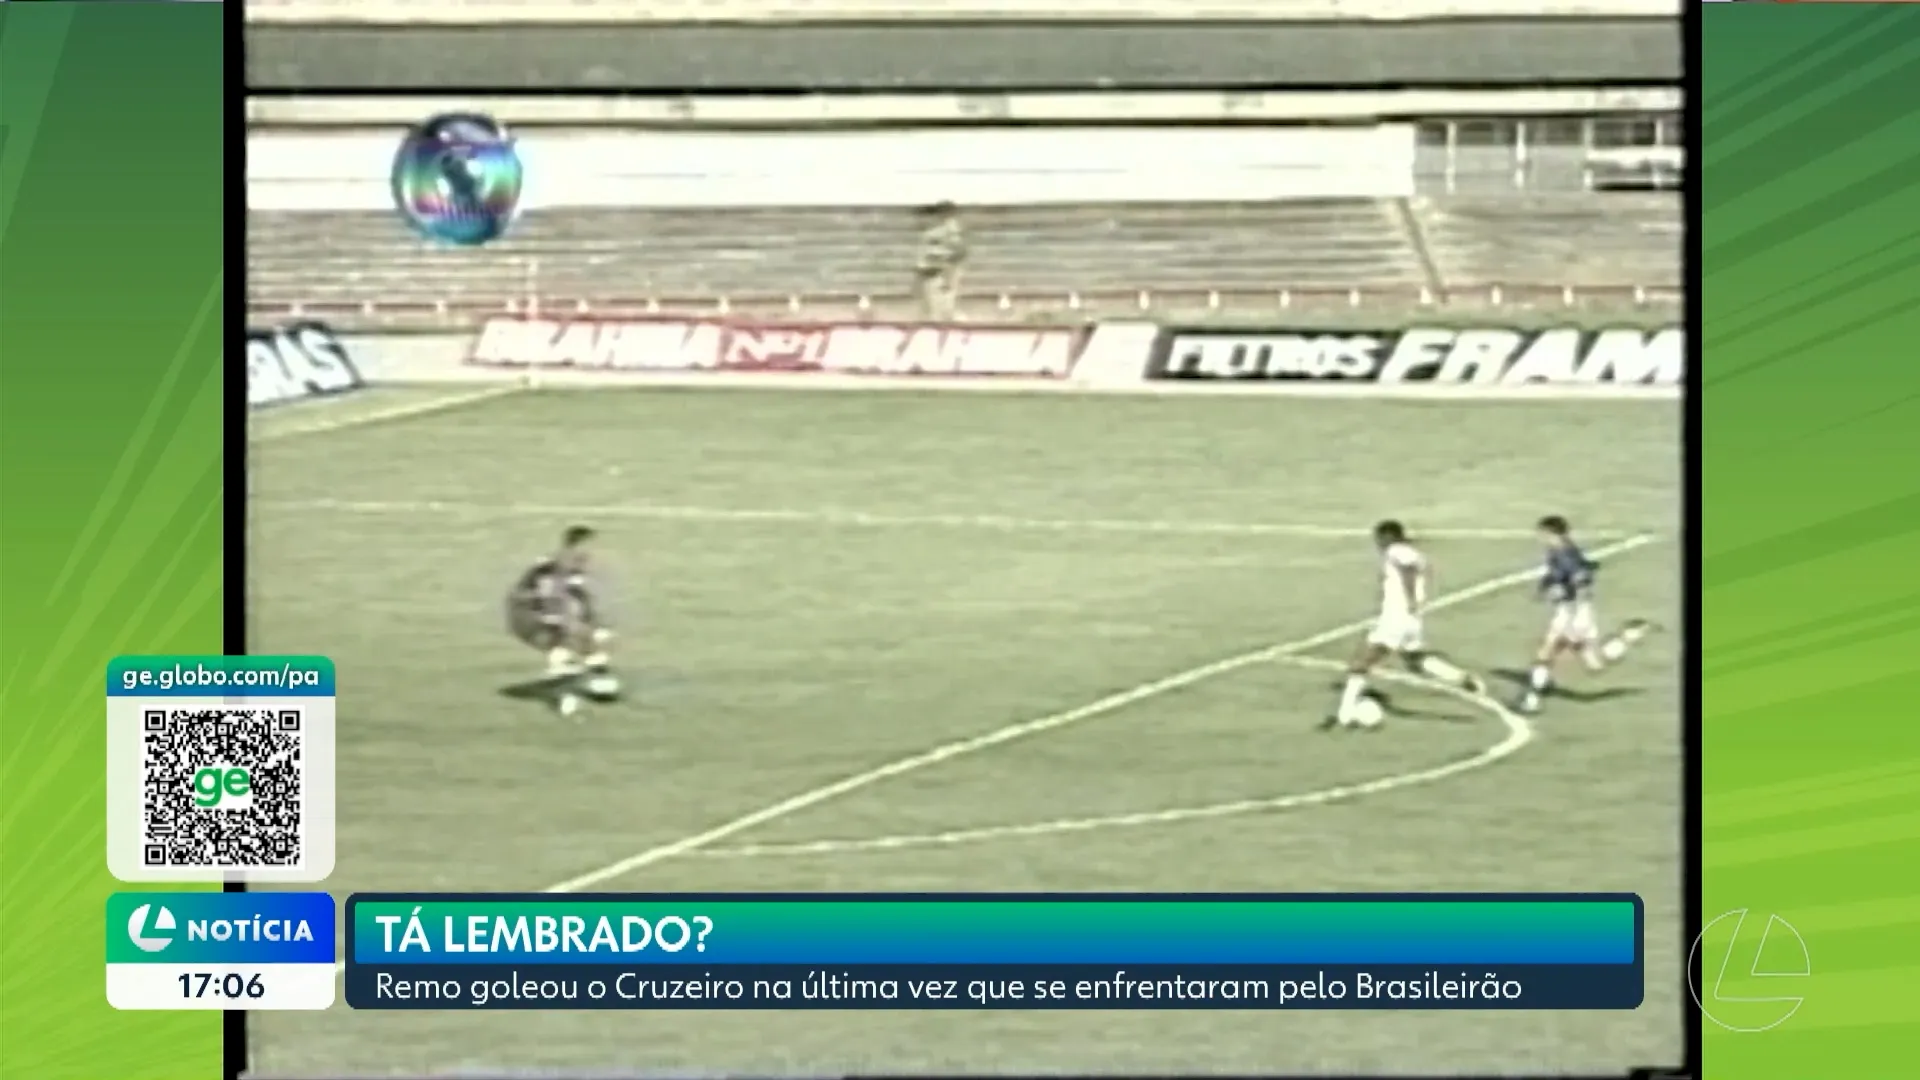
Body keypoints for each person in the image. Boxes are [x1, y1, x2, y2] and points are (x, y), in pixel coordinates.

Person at [1328, 520, 1488, 729]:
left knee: (1361, 664)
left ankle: (1345, 715)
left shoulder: (1396, 551)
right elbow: (1420, 568)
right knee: (1415, 660)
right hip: (1411, 619)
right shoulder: (1413, 552)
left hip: (1396, 617)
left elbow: (1408, 570)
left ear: (1386, 537)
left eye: (1378, 538)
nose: (1377, 543)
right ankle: (1461, 678)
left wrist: (1410, 596)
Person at [1517, 515, 1651, 714]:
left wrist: (1563, 594)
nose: (1540, 537)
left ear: (1553, 533)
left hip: (1570, 613)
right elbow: (1583, 568)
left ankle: (1532, 701)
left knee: (1546, 654)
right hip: (1579, 612)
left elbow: (1578, 577)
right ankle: (1626, 637)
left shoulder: (1564, 554)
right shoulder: (1564, 550)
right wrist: (1548, 586)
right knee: (1595, 665)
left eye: (1542, 533)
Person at [505, 525, 616, 717]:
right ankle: (579, 679)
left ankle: (577, 674)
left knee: (579, 636)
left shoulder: (562, 566)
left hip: (535, 610)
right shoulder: (561, 569)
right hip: (530, 611)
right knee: (577, 636)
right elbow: (567, 597)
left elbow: (577, 598)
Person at [916, 202, 967, 320]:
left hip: (942, 272)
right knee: (933, 307)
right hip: (932, 272)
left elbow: (958, 252)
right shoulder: (934, 233)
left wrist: (948, 271)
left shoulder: (949, 230)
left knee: (943, 307)